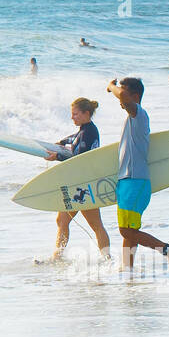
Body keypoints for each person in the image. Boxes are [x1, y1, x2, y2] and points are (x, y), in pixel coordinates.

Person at [108, 77, 169, 270]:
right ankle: (127, 269)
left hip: (135, 181)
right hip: (128, 181)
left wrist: (111, 86)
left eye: (124, 93)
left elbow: (121, 95)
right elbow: (123, 96)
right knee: (130, 231)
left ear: (135, 96)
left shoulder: (139, 115)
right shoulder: (132, 118)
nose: (120, 99)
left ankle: (168, 250)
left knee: (126, 231)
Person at [42, 97, 110, 262]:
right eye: (72, 114)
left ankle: (107, 258)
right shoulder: (85, 130)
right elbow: (73, 139)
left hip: (83, 184)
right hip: (78, 182)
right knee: (62, 219)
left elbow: (78, 157)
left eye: (75, 114)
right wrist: (61, 143)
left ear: (86, 113)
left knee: (95, 224)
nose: (72, 117)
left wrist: (57, 155)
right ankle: (57, 256)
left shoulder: (89, 132)